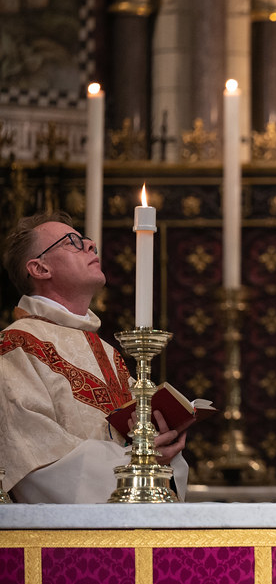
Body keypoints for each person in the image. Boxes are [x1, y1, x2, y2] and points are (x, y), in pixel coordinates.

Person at [0, 212, 189, 502]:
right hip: (68, 539)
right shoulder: (16, 344)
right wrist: (134, 468)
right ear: (39, 268)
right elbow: (33, 456)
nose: (90, 245)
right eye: (72, 242)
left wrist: (158, 454)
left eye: (86, 240)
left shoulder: (108, 352)